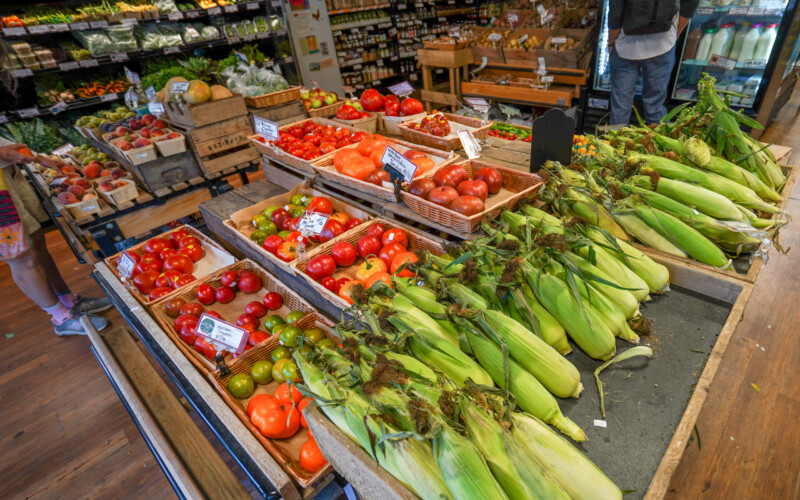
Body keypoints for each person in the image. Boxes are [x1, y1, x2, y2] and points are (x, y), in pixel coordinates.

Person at [0, 138, 112, 337]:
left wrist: (38, 158)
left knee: (37, 241)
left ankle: (68, 301)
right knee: (22, 257)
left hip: (7, 174)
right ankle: (60, 318)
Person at [607, 0, 698, 125]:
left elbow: (616, 13)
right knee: (655, 107)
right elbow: (690, 5)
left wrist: (611, 41)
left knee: (620, 108)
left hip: (626, 47)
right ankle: (658, 142)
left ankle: (616, 143)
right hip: (663, 44)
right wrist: (676, 33)